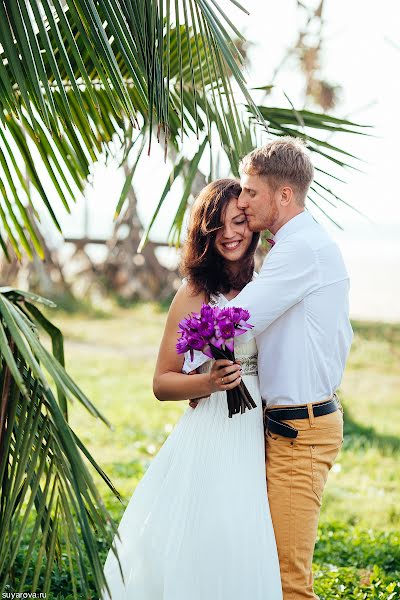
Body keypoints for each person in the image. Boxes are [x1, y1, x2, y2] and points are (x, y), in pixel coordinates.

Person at [102, 179, 283, 599]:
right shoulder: (196, 290)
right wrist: (207, 380)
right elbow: (161, 381)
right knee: (209, 527)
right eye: (217, 227)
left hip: (261, 428)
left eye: (238, 221)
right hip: (214, 428)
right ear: (205, 233)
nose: (230, 234)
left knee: (245, 530)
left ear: (253, 223)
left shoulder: (271, 280)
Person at [210, 137, 352, 600]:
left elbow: (238, 321)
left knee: (289, 582)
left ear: (283, 195)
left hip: (301, 432)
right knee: (269, 571)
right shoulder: (299, 245)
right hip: (287, 426)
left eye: (251, 192)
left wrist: (188, 341)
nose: (243, 200)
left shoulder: (300, 250)